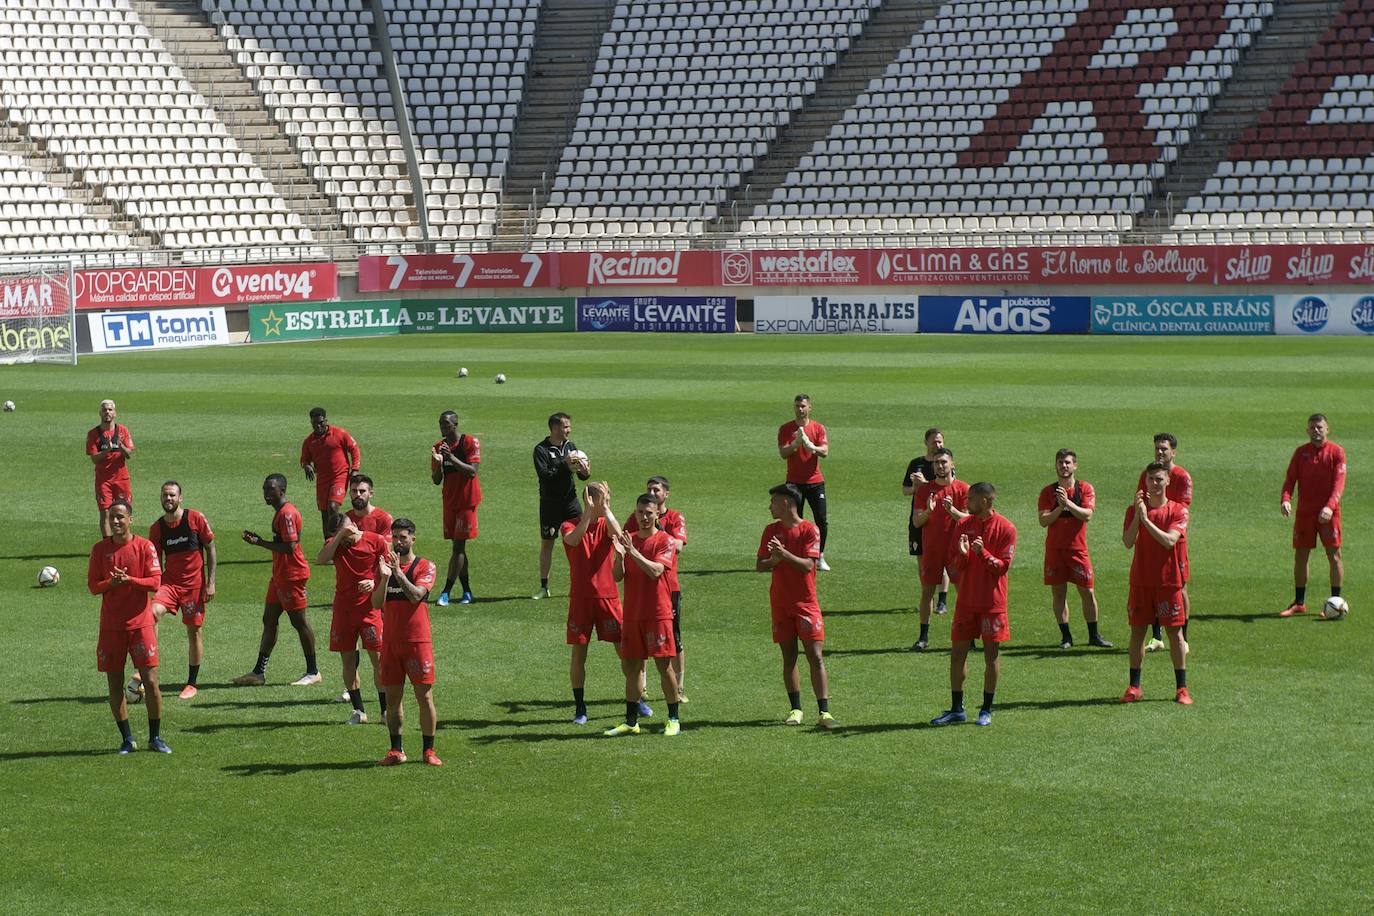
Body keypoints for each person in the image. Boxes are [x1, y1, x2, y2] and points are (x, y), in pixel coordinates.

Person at [930, 482, 1016, 727]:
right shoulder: (963, 525)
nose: (966, 503)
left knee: (991, 656)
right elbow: (955, 564)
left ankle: (986, 710)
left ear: (986, 501)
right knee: (957, 654)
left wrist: (983, 554)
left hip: (992, 604)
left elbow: (1003, 567)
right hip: (966, 602)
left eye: (971, 499)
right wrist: (963, 554)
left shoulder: (1006, 528)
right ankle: (957, 709)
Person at [88, 500, 169, 753]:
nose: (115, 522)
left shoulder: (144, 547)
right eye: (112, 517)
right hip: (111, 627)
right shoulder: (100, 550)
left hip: (140, 625)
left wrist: (128, 579)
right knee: (114, 683)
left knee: (151, 681)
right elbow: (93, 586)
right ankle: (127, 739)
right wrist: (111, 584)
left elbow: (155, 583)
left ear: (130, 519)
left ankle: (155, 738)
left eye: (120, 517)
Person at [757, 483, 836, 729]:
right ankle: (796, 709)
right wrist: (773, 559)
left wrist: (784, 554)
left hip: (806, 604)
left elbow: (807, 566)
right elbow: (760, 565)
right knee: (788, 657)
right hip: (780, 603)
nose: (769, 506)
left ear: (786, 503)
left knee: (815, 656)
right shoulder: (770, 530)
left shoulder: (809, 530)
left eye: (773, 502)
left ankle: (824, 712)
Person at [604, 494, 682, 737]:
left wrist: (632, 552)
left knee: (663, 665)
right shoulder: (630, 540)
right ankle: (631, 721)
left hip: (658, 613)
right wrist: (620, 556)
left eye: (649, 513)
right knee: (632, 666)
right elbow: (617, 576)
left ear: (657, 514)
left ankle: (673, 719)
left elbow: (656, 571)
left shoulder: (665, 541)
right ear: (635, 513)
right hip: (634, 613)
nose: (645, 517)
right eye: (640, 512)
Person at [234, 474, 320, 687]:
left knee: (299, 623)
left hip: (292, 576)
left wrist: (260, 542)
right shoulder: (281, 513)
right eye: (264, 489)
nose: (266, 493)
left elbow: (290, 547)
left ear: (282, 490)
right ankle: (258, 672)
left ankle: (313, 671)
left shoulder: (287, 514)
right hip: (280, 576)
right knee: (269, 619)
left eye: (270, 489)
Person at [1121, 463, 1192, 705]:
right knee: (1137, 633)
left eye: (1159, 479)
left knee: (1175, 634)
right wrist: (1138, 517)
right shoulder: (1133, 511)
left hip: (1168, 582)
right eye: (1150, 479)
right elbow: (1128, 542)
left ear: (1168, 481)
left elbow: (1169, 541)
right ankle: (1134, 686)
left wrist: (1146, 520)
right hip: (1141, 581)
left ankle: (1182, 689)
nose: (1154, 483)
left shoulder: (1178, 511)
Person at [373, 518, 442, 766]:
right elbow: (376, 603)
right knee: (393, 699)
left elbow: (416, 596)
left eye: (403, 537)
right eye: (395, 537)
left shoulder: (425, 566)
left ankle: (429, 750)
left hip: (417, 642)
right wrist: (383, 579)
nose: (398, 542)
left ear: (413, 538)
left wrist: (397, 573)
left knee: (424, 697)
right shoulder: (385, 568)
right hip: (391, 642)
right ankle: (396, 750)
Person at [562, 482, 625, 724]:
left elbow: (618, 537)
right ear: (589, 501)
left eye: (605, 498)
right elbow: (572, 541)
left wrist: (607, 510)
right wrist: (588, 514)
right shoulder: (570, 524)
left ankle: (637, 699)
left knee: (625, 652)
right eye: (599, 499)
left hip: (608, 597)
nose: (604, 502)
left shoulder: (608, 523)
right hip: (580, 599)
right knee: (579, 655)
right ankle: (580, 708)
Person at [318, 513, 390, 724]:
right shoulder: (336, 544)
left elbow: (390, 569)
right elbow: (321, 559)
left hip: (369, 610)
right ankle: (359, 711)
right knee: (348, 662)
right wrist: (340, 537)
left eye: (349, 531)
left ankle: (385, 711)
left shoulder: (375, 541)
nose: (349, 537)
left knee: (378, 660)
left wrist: (373, 582)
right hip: (343, 611)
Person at [148, 481, 217, 700]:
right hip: (169, 585)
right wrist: (154, 586)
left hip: (193, 587)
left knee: (193, 631)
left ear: (180, 498)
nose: (168, 499)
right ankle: (149, 670)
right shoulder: (157, 528)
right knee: (151, 614)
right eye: (165, 495)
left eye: (172, 495)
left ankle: (192, 683)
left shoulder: (196, 518)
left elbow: (211, 548)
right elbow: (155, 561)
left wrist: (211, 582)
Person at [1037, 449, 1111, 649]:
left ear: (1075, 465)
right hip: (1055, 550)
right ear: (1056, 466)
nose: (1064, 466)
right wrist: (1060, 507)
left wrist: (1067, 502)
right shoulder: (1047, 492)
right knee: (1059, 594)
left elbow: (1087, 515)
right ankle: (1066, 637)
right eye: (1060, 462)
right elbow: (1043, 521)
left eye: (1068, 462)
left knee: (1087, 592)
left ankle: (1094, 635)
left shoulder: (1085, 488)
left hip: (1078, 550)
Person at [1279, 413, 1346, 617]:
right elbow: (1290, 479)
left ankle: (1336, 600)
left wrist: (1329, 506)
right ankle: (1299, 602)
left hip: (1329, 513)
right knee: (1301, 556)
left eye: (1320, 427)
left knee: (1334, 555)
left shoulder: (1336, 452)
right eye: (1312, 427)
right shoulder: (1301, 453)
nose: (1316, 430)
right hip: (1305, 514)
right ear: (1307, 430)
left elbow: (1339, 484)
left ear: (1327, 429)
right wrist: (1285, 499)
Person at [1136, 434, 1192, 652]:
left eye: (1164, 449)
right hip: (1151, 532)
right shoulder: (1148, 474)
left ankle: (1183, 637)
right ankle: (1157, 636)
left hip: (1175, 539)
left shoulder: (1183, 476)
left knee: (1180, 587)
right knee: (1152, 583)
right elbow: (1141, 498)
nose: (1160, 452)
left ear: (1173, 452)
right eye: (1157, 448)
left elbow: (1183, 506)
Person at [910, 448, 969, 651]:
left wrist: (952, 511)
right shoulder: (924, 491)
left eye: (944, 462)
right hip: (932, 551)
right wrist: (929, 511)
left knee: (963, 593)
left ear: (952, 464)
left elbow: (970, 521)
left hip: (957, 551)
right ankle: (923, 637)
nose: (940, 466)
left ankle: (968, 637)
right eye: (936, 463)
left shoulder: (963, 489)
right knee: (927, 592)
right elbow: (917, 522)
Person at [533, 411, 589, 599]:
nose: (569, 430)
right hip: (550, 505)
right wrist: (563, 464)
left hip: (570, 502)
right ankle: (544, 587)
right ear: (555, 427)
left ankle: (581, 583)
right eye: (566, 426)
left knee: (579, 541)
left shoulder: (571, 446)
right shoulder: (540, 450)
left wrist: (584, 472)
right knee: (547, 543)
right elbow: (545, 476)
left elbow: (580, 475)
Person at [431, 410, 481, 606]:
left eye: (446, 424)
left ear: (456, 423)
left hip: (467, 502)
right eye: (441, 424)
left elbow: (472, 472)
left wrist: (450, 457)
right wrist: (438, 464)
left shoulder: (469, 442)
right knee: (457, 547)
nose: (443, 427)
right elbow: (436, 481)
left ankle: (446, 592)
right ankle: (467, 591)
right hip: (449, 502)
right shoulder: (438, 447)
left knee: (458, 546)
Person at [646, 475, 689, 700]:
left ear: (666, 494)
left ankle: (679, 688)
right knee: (640, 635)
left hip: (668, 587)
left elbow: (679, 547)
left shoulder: (675, 517)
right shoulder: (640, 516)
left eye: (656, 490)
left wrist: (656, 531)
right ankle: (641, 687)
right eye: (649, 490)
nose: (652, 494)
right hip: (641, 587)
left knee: (674, 637)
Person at [777, 394, 830, 570]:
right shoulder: (786, 429)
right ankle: (796, 555)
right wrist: (796, 443)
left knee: (821, 520)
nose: (800, 409)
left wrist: (811, 447)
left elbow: (825, 452)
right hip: (793, 484)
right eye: (797, 406)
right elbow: (784, 453)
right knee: (794, 519)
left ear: (809, 408)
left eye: (803, 406)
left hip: (815, 482)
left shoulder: (818, 428)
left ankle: (819, 555)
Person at [903, 427, 950, 613]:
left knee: (943, 559)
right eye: (934, 442)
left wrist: (924, 484)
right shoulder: (916, 463)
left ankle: (942, 601)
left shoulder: (946, 463)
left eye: (940, 441)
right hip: (919, 517)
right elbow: (905, 490)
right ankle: (927, 598)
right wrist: (916, 488)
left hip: (940, 519)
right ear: (926, 443)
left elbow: (949, 486)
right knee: (922, 560)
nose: (937, 445)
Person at [299, 407, 361, 538]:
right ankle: (328, 543)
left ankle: (337, 539)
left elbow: (354, 449)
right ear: (311, 422)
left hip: (340, 476)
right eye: (315, 423)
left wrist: (354, 470)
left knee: (332, 507)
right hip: (322, 480)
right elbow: (304, 459)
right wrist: (306, 466)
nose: (318, 426)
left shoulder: (339, 433)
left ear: (326, 420)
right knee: (324, 513)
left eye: (321, 422)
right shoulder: (309, 441)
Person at [87, 399, 134, 537]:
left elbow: (129, 454)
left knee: (124, 510)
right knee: (105, 512)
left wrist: (121, 447)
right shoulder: (93, 434)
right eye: (104, 410)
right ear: (99, 413)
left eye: (110, 410)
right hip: (103, 480)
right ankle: (107, 543)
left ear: (115, 413)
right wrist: (106, 451)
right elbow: (94, 459)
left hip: (122, 479)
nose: (107, 412)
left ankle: (124, 539)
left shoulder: (122, 431)